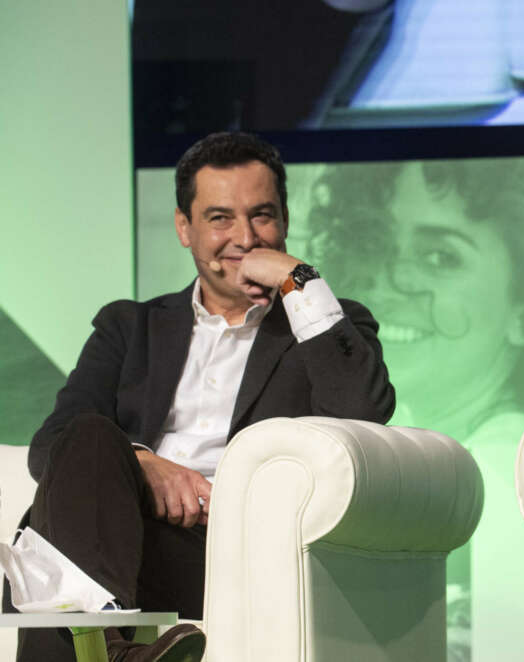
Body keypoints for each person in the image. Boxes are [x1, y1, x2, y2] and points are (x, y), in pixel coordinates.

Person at [6, 132, 395, 662]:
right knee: (90, 438)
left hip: (227, 551)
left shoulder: (323, 323)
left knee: (48, 569)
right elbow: (50, 446)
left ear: (285, 220)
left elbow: (365, 417)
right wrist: (143, 462)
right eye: (220, 218)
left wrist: (297, 279)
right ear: (183, 228)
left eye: (262, 215)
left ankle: (113, 648)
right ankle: (119, 650)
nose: (244, 237)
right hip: (115, 531)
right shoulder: (129, 326)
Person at [305, 157, 524, 661]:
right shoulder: (447, 448)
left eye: (441, 256)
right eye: (377, 245)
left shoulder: (499, 474)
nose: (394, 279)